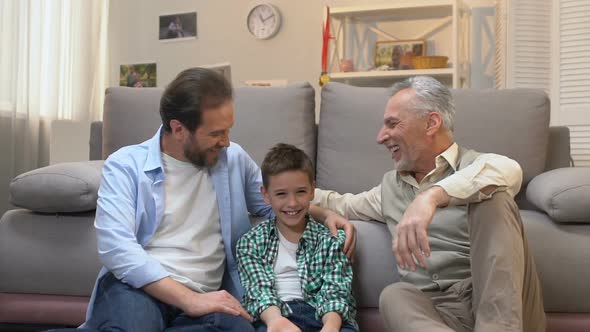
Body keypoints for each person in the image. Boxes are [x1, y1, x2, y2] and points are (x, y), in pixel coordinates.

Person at [49, 68, 354, 332]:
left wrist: (323, 214)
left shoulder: (231, 158)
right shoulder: (126, 165)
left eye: (229, 130)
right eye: (216, 133)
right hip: (139, 290)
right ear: (178, 129)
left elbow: (271, 201)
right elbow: (117, 249)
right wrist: (189, 300)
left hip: (209, 295)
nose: (226, 141)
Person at [313, 76, 546, 332]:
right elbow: (338, 203)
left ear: (431, 123)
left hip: (502, 306)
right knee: (394, 296)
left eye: (392, 124)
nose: (381, 137)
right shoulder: (390, 188)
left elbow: (510, 170)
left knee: (494, 198)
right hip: (438, 314)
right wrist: (312, 208)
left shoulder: (476, 166)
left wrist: (431, 197)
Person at [237, 143, 358, 332]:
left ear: (312, 190)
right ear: (266, 195)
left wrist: (331, 327)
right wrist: (276, 321)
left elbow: (336, 290)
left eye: (300, 192)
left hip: (324, 315)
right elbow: (259, 291)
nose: (292, 203)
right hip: (275, 314)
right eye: (281, 194)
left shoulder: (331, 239)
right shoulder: (250, 243)